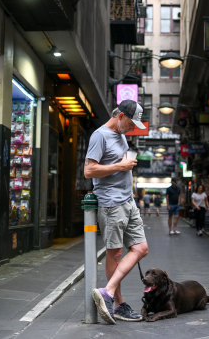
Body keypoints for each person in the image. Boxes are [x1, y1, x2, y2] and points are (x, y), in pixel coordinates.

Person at [84, 100, 149, 324]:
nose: (132, 129)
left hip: (127, 201)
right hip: (111, 203)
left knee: (141, 248)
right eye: (131, 123)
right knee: (115, 254)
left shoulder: (121, 135)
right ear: (120, 116)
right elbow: (89, 170)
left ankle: (108, 292)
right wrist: (120, 167)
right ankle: (118, 303)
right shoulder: (99, 136)